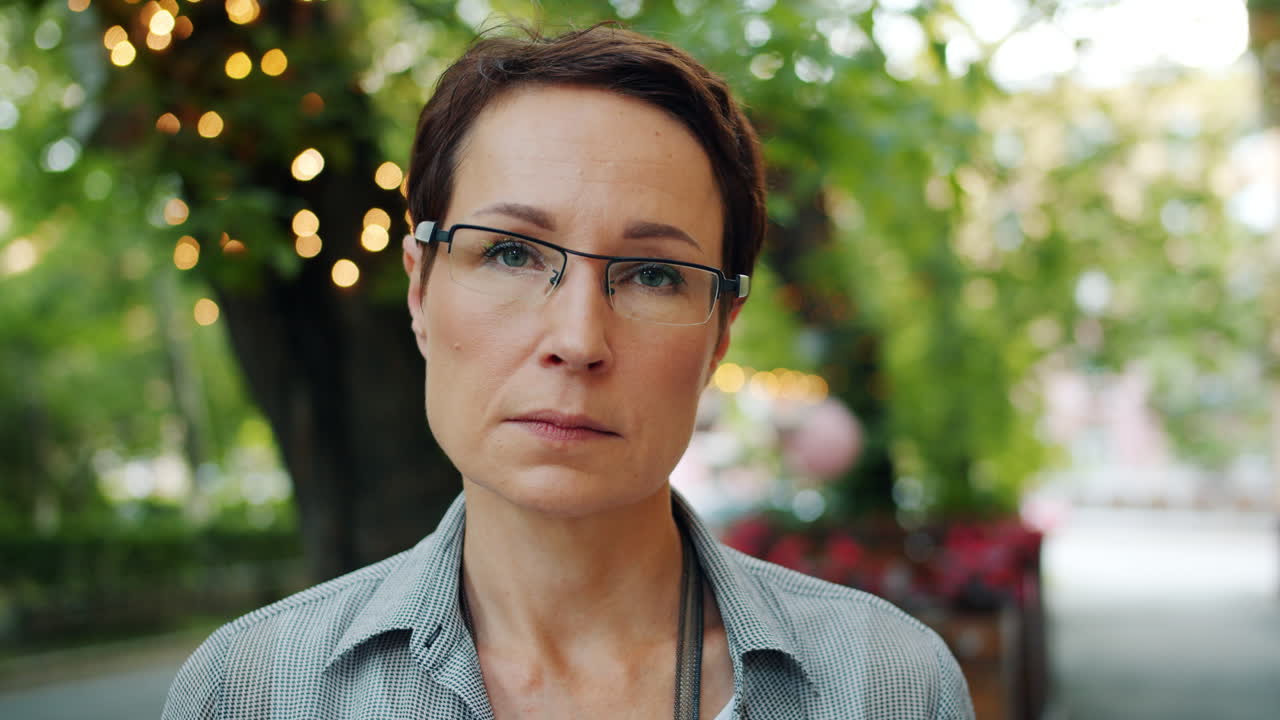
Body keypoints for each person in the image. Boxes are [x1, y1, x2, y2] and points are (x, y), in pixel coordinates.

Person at [163, 24, 974, 720]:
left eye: (654, 273)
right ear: (419, 287)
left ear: (723, 331)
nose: (578, 338)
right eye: (511, 253)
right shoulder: (255, 690)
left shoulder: (885, 684)